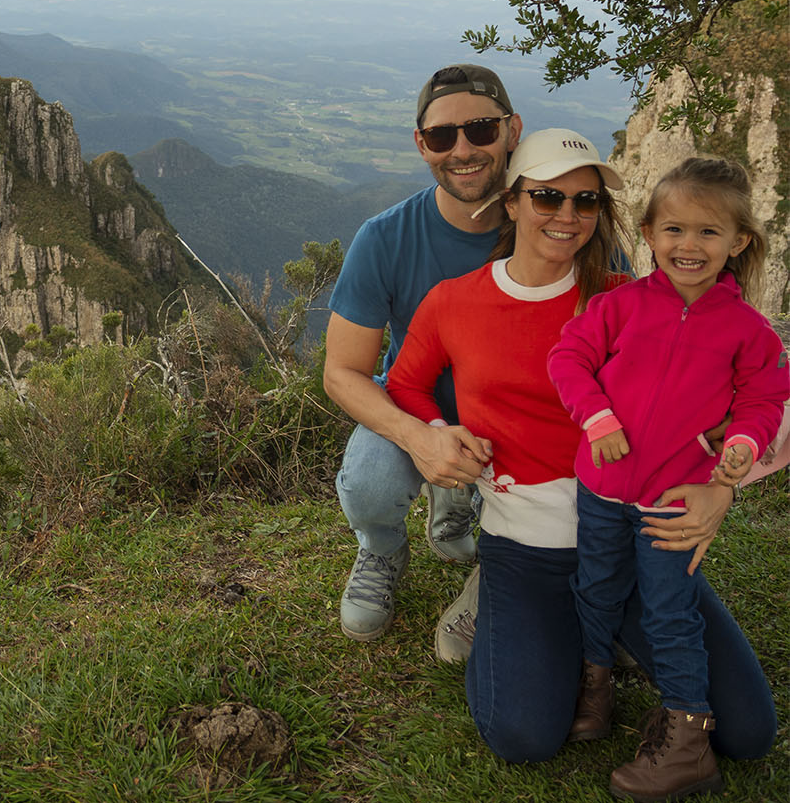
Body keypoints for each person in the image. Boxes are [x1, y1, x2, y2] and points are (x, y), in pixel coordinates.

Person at [384, 130, 780, 768]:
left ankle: (591, 636)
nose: (567, 216)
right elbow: (404, 384)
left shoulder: (631, 299)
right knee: (524, 737)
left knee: (746, 733)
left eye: (586, 201)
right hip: (527, 544)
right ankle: (515, 614)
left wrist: (723, 487)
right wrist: (434, 431)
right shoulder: (453, 302)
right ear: (511, 203)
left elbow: (760, 397)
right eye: (546, 196)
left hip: (643, 533)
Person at [547, 157, 788, 800]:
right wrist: (597, 419)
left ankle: (687, 736)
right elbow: (568, 357)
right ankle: (594, 689)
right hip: (601, 489)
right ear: (649, 233)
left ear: (738, 243)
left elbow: (763, 402)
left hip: (672, 500)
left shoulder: (747, 331)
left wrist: (738, 450)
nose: (689, 245)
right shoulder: (618, 306)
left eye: (709, 233)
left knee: (669, 611)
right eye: (674, 230)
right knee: (595, 587)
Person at [325, 63, 517, 646]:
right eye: (442, 136)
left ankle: (493, 554)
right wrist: (419, 437)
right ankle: (383, 549)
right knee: (369, 482)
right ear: (421, 144)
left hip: (526, 415)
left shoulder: (560, 220)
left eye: (481, 130)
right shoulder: (385, 237)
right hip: (419, 404)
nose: (462, 149)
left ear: (512, 130)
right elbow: (342, 372)